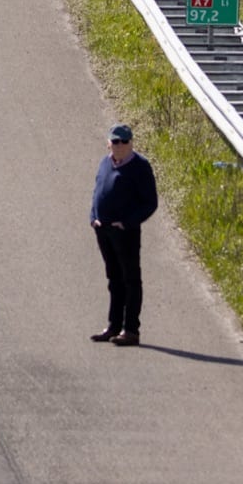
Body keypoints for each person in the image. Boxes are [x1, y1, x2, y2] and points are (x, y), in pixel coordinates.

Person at [89, 123, 159, 346]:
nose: (119, 146)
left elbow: (150, 203)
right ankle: (113, 326)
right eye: (115, 141)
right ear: (108, 142)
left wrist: (127, 223)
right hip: (104, 229)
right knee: (114, 278)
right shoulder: (105, 162)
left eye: (124, 142)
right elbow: (97, 191)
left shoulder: (140, 167)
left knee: (130, 280)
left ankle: (131, 330)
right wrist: (94, 218)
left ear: (131, 143)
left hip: (125, 232)